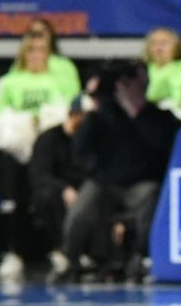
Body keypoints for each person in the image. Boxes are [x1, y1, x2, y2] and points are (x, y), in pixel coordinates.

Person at [62, 63, 179, 282]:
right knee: (83, 205)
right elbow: (79, 148)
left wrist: (137, 111)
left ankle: (144, 258)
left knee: (150, 196)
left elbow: (164, 143)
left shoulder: (157, 115)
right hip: (105, 183)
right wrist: (95, 107)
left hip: (142, 183)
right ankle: (70, 260)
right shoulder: (102, 115)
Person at [0, 34, 80, 282]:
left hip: (51, 148)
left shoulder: (58, 80)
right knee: (18, 201)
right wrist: (25, 124)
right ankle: (15, 253)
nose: (36, 55)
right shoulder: (10, 82)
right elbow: (0, 118)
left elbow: (70, 112)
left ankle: (62, 249)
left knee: (51, 196)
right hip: (20, 148)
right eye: (31, 50)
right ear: (23, 54)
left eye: (41, 50)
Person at [28, 96, 88, 283]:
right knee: (47, 197)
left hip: (85, 190)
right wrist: (64, 189)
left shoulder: (91, 140)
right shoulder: (49, 138)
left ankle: (90, 254)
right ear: (74, 115)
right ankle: (62, 250)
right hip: (56, 191)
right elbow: (39, 173)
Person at [10, 17, 81, 99]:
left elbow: (73, 99)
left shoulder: (65, 66)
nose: (37, 37)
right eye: (33, 33)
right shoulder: (17, 66)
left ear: (51, 35)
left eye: (40, 33)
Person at [144, 27, 181, 109]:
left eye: (164, 43)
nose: (159, 47)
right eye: (153, 43)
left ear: (177, 46)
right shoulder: (138, 72)